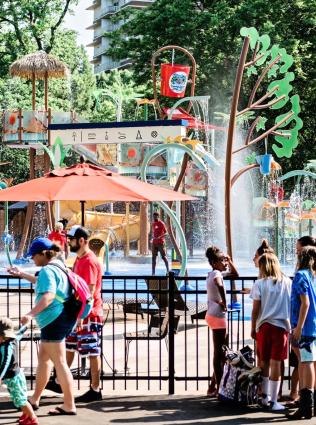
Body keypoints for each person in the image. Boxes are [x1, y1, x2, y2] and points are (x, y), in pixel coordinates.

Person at [8, 237, 77, 416]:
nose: (32, 259)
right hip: (58, 319)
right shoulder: (59, 266)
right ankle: (34, 399)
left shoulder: (47, 270)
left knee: (60, 363)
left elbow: (48, 295)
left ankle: (69, 404)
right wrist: (21, 274)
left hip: (54, 320)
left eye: (33, 256)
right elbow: (42, 283)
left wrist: (30, 315)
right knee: (44, 360)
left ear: (42, 254)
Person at [64, 225, 103, 402]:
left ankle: (95, 389)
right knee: (70, 346)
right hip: (78, 313)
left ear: (81, 241)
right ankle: (60, 380)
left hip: (88, 314)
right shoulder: (79, 260)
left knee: (92, 351)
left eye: (71, 239)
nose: (68, 242)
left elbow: (88, 292)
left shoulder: (88, 261)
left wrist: (81, 315)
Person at [250, 253, 291, 411]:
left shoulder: (259, 283)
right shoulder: (287, 282)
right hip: (281, 327)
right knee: (276, 363)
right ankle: (274, 401)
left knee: (264, 363)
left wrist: (253, 328)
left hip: (264, 327)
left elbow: (255, 310)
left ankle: (264, 397)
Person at [205, 245, 238, 397]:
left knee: (222, 352)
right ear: (213, 262)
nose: (224, 263)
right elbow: (219, 284)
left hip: (213, 315)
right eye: (221, 260)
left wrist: (230, 262)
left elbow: (236, 275)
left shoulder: (213, 272)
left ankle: (213, 387)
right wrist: (225, 301)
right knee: (219, 353)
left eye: (225, 260)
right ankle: (219, 389)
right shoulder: (216, 274)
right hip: (218, 316)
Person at [288, 246, 316, 420]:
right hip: (313, 325)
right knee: (311, 362)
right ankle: (311, 405)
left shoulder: (301, 275)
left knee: (306, 363)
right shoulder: (313, 276)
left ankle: (306, 406)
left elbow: (304, 303)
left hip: (305, 328)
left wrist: (297, 328)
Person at [0, 318, 39, 425]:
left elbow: (5, 363)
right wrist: (25, 325)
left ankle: (32, 418)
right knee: (18, 397)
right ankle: (26, 415)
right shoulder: (14, 339)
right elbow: (20, 332)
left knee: (20, 400)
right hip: (14, 376)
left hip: (13, 377)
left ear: (3, 336)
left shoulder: (7, 347)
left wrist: (0, 376)